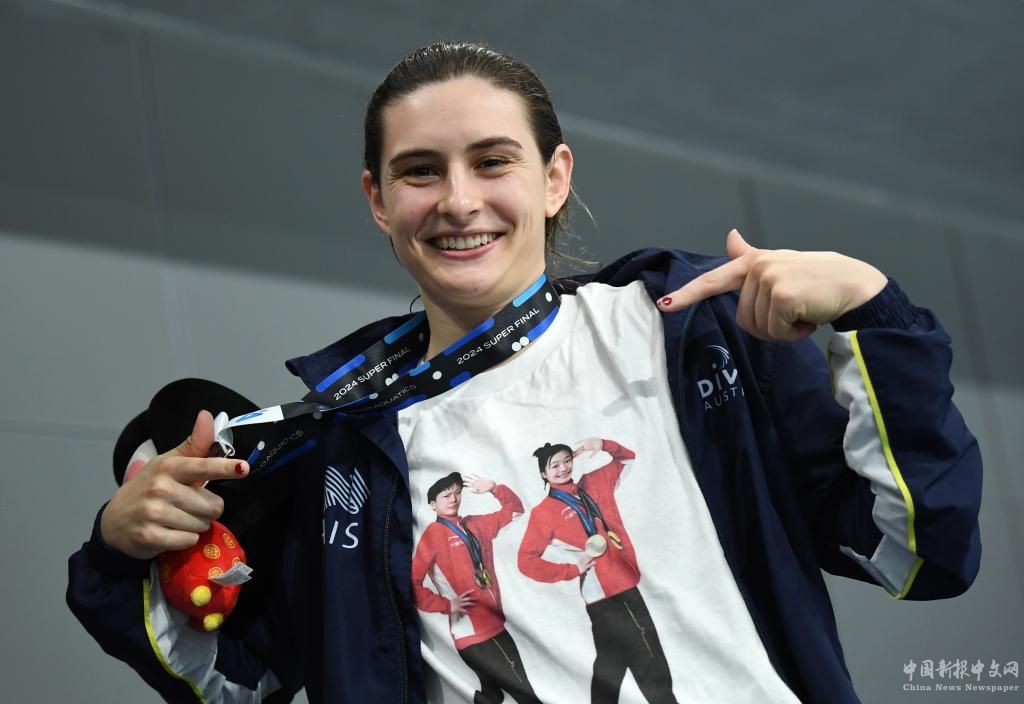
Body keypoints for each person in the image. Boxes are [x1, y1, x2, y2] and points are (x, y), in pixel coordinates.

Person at [67, 40, 982, 704]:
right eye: (419, 172)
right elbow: (237, 680)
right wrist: (123, 550)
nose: (459, 200)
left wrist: (870, 312)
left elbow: (918, 550)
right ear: (377, 201)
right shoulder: (341, 447)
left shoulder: (691, 333)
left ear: (553, 177)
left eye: (491, 161)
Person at [518, 438, 676, 704]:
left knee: (612, 662)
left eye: (567, 461)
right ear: (543, 474)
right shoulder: (543, 513)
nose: (563, 468)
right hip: (604, 591)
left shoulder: (594, 482)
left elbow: (628, 458)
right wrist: (571, 569)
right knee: (648, 658)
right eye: (554, 465)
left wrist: (602, 444)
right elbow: (526, 560)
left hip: (624, 580)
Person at [411, 472, 540, 704]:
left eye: (457, 493)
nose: (453, 499)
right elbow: (412, 582)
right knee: (526, 695)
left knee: (493, 697)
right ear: (432, 504)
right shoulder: (434, 534)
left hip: (493, 625)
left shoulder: (475, 524)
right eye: (446, 496)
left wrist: (494, 488)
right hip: (475, 634)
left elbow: (515, 511)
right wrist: (446, 604)